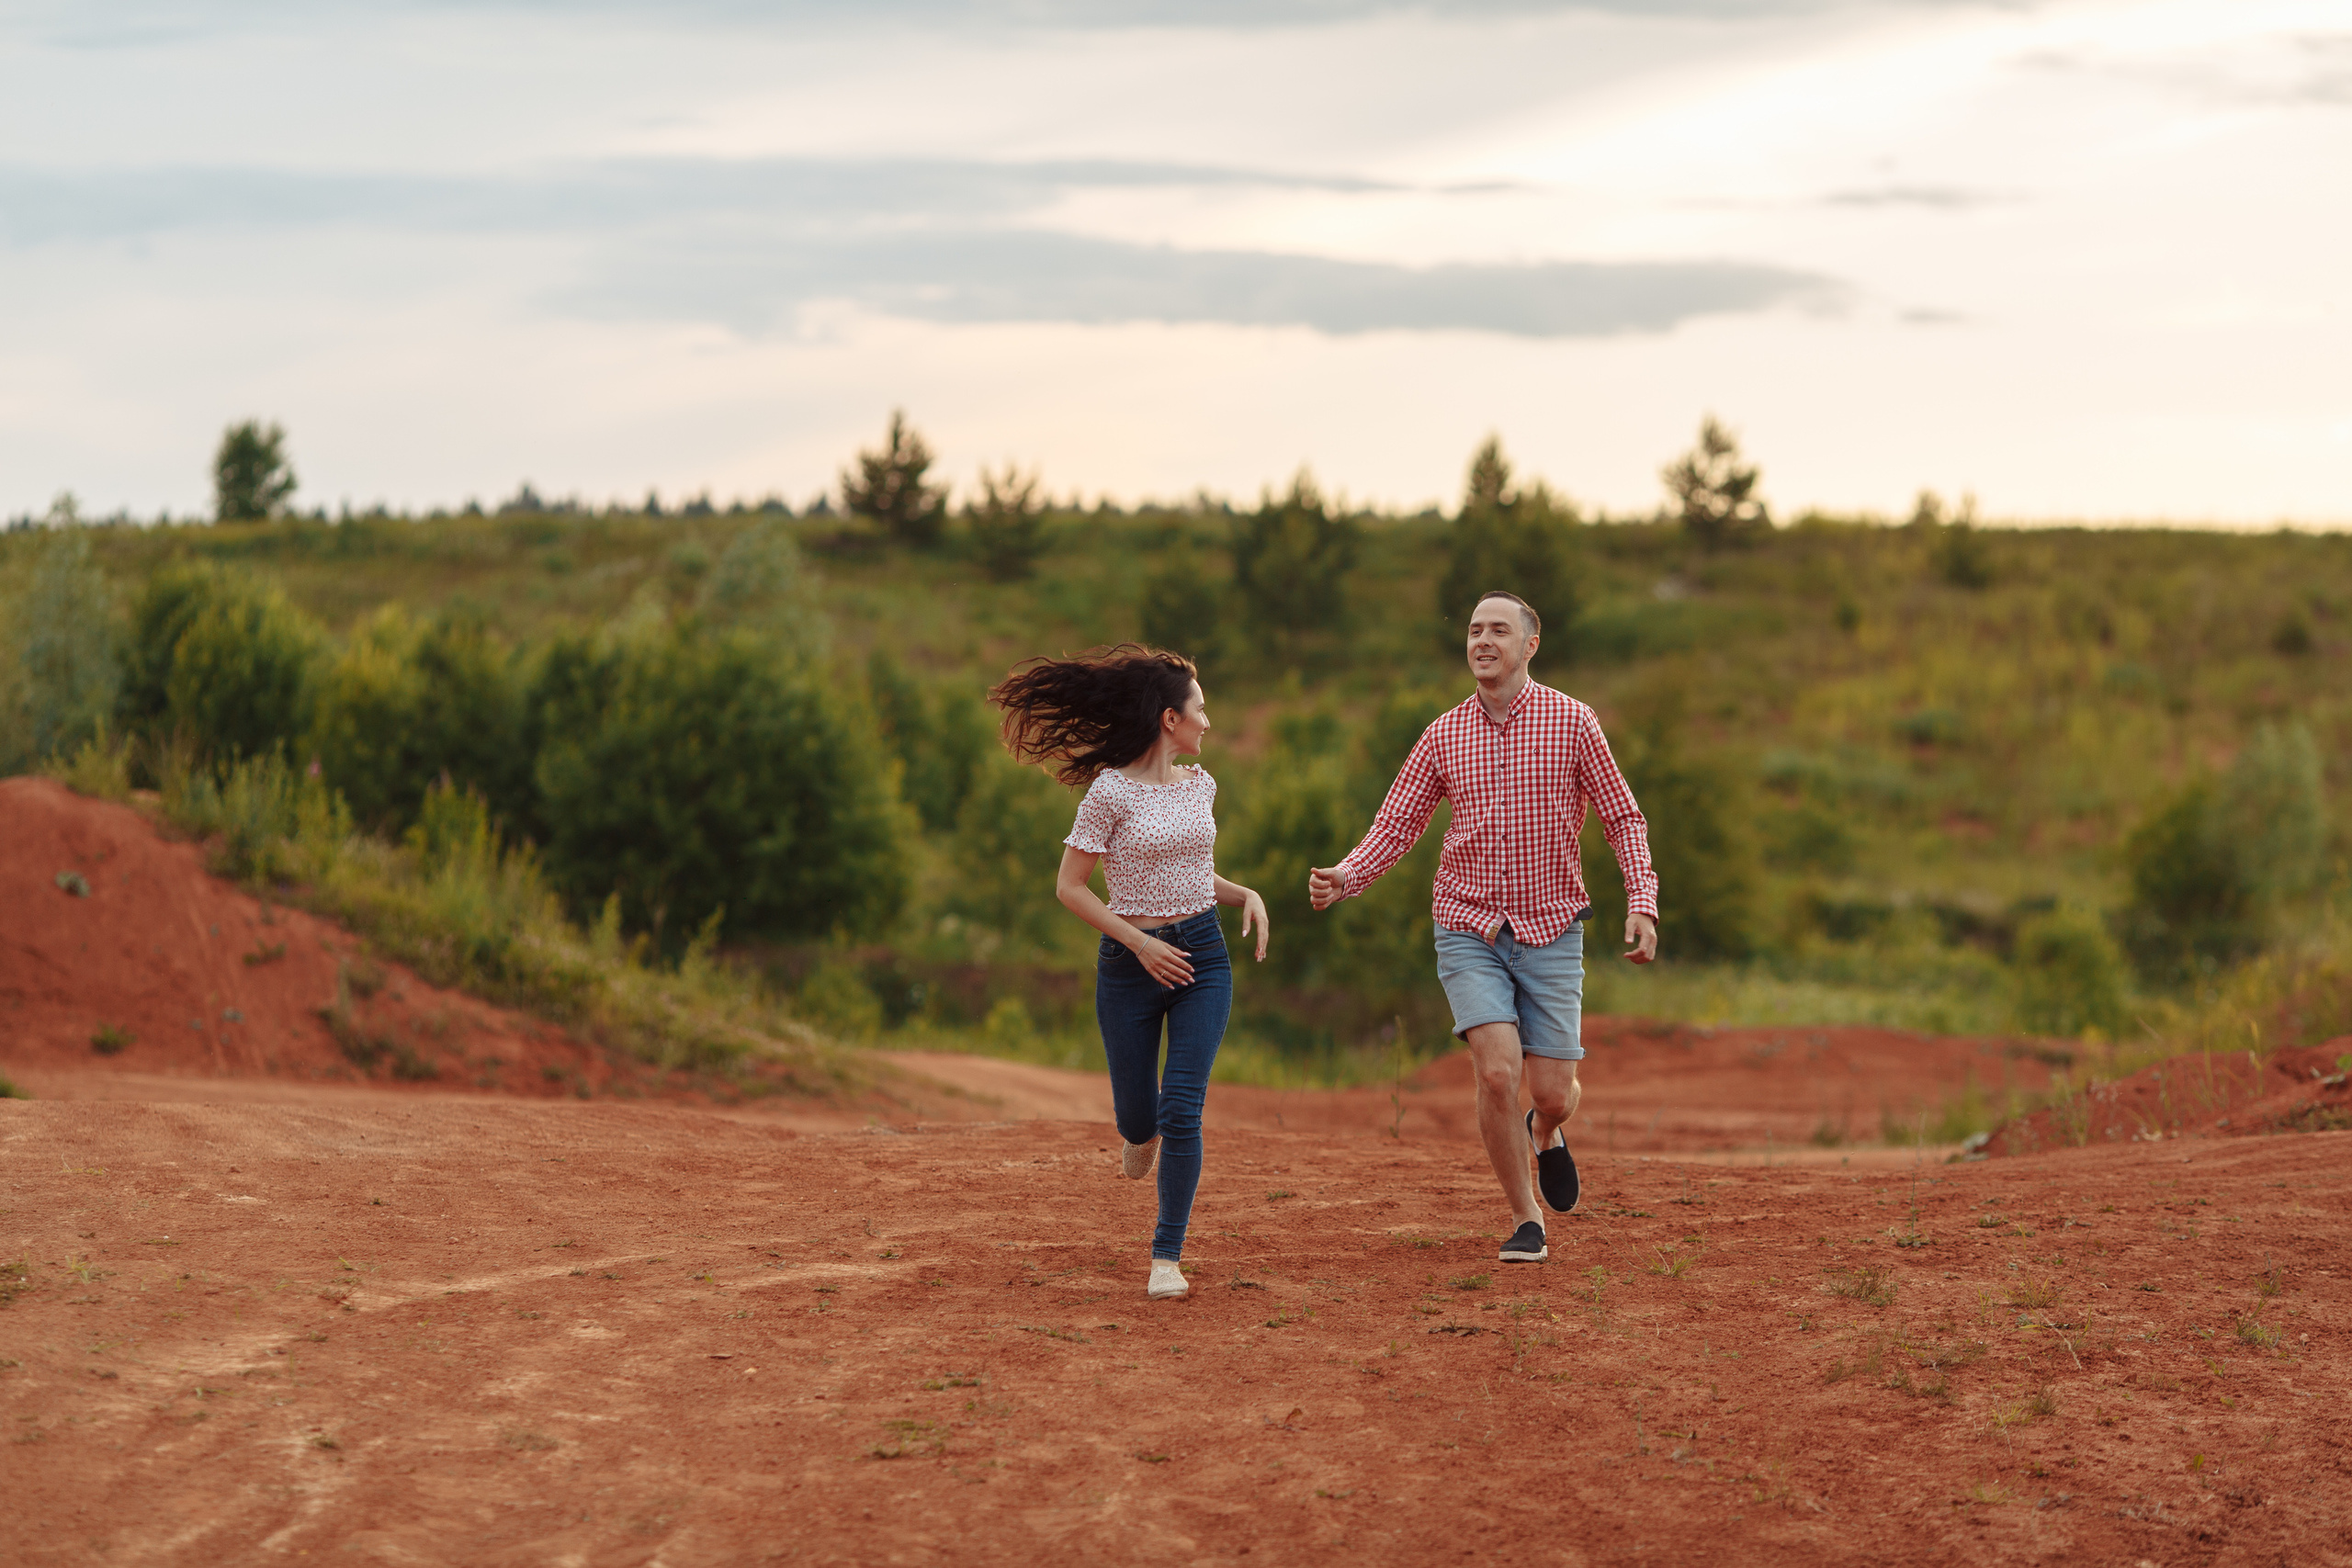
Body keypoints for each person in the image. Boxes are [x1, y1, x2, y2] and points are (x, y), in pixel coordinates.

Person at [1308, 592, 1657, 1265]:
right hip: (1467, 924)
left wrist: (1641, 899)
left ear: (1531, 643)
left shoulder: (1573, 722)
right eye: (1474, 630)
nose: (1483, 640)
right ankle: (1528, 1218)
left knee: (1552, 1090)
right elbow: (1398, 823)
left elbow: (1622, 816)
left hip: (1553, 926)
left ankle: (1546, 1131)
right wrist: (1348, 875)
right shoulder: (1444, 733)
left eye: (1499, 629)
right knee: (1497, 1072)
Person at [989, 645, 1270, 1302]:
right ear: (1170, 718)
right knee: (1139, 1116)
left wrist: (1244, 893)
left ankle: (1166, 1254)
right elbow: (1071, 888)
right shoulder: (1110, 791)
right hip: (1128, 964)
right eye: (1202, 708)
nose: (1210, 721)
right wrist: (1140, 944)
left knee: (1182, 1106)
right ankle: (1135, 1133)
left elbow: (1194, 872)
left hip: (1202, 956)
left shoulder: (1203, 785)